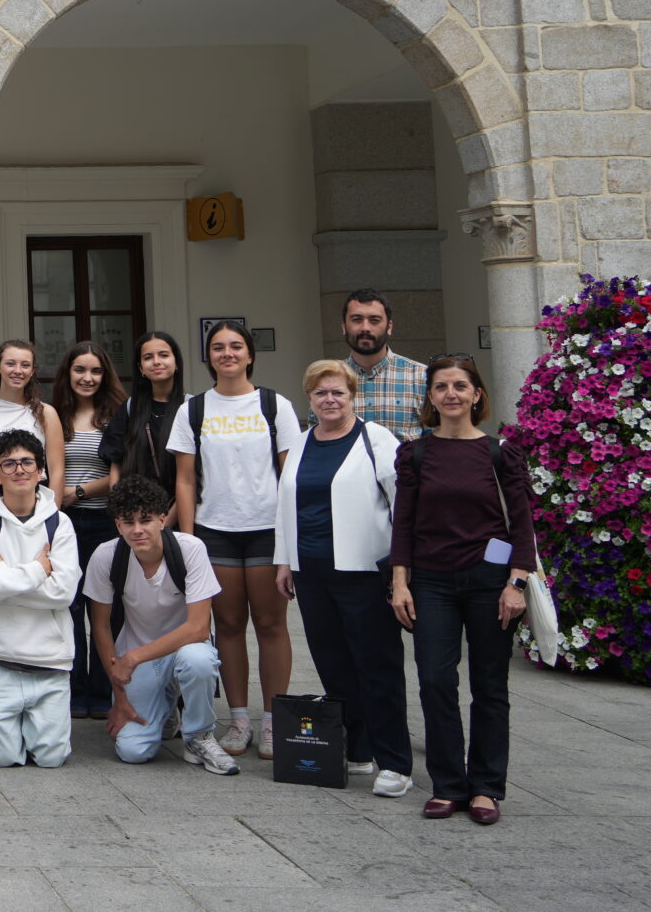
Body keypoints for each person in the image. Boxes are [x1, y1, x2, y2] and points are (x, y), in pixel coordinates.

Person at [389, 355, 534, 825]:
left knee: (490, 685)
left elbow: (522, 524)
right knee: (434, 679)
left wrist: (516, 583)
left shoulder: (499, 453)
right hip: (431, 582)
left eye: (460, 386)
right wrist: (399, 582)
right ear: (430, 397)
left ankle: (486, 788)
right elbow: (403, 524)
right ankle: (449, 785)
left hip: (490, 584)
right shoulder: (415, 454)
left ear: (476, 395)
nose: (451, 394)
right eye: (441, 386)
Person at [275, 359, 412, 798]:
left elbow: (403, 505)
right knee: (334, 666)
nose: (329, 400)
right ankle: (358, 749)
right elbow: (284, 506)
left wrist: (402, 569)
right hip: (311, 573)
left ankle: (396, 762)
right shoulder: (300, 443)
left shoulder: (376, 440)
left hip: (363, 572)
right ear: (309, 399)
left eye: (338, 392)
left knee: (378, 667)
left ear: (353, 396)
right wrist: (284, 561)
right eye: (320, 393)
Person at [169, 319, 303, 759]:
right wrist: (189, 542)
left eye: (236, 346)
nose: (227, 353)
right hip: (215, 532)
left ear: (249, 355)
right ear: (208, 357)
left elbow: (290, 477)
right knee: (226, 626)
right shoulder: (194, 410)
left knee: (270, 625)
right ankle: (240, 719)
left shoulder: (274, 405)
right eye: (218, 347)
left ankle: (273, 722)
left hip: (266, 531)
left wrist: (289, 539)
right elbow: (185, 481)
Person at [83, 475, 239, 775]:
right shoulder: (106, 556)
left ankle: (199, 736)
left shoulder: (189, 548)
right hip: (137, 661)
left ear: (162, 519)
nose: (138, 529)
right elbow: (100, 627)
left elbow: (198, 628)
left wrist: (133, 657)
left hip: (180, 650)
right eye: (128, 522)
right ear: (118, 525)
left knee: (199, 660)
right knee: (132, 751)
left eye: (146, 520)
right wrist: (120, 696)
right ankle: (165, 710)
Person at [0, 431, 80, 768]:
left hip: (49, 663)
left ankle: (20, 721)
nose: (19, 470)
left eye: (27, 462)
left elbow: (64, 593)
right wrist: (36, 570)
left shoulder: (60, 524)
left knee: (52, 758)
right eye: (9, 464)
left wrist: (5, 576)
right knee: (3, 758)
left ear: (41, 470)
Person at [52, 340, 125, 719]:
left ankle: (102, 689)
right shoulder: (53, 414)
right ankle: (74, 688)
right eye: (80, 370)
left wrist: (75, 492)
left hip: (103, 522)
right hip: (64, 525)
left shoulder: (116, 415)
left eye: (95, 371)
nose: (88, 377)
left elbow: (117, 477)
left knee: (104, 607)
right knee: (70, 605)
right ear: (68, 373)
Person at [339, 288, 430, 442]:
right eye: (356, 319)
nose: (365, 328)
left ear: (389, 327)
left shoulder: (420, 376)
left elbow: (438, 441)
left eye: (374, 320)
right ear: (343, 326)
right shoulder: (328, 378)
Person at [104, 331, 184, 495]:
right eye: (148, 357)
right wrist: (118, 508)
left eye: (163, 355)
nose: (156, 362)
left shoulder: (191, 407)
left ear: (176, 363)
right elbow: (116, 465)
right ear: (140, 368)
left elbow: (193, 475)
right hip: (134, 512)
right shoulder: (130, 407)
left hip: (179, 510)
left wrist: (167, 520)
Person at [0, 339, 64, 497]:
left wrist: (52, 514)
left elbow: (57, 472)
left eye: (25, 365)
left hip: (37, 498)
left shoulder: (46, 413)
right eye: (10, 364)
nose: (18, 370)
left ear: (33, 370)